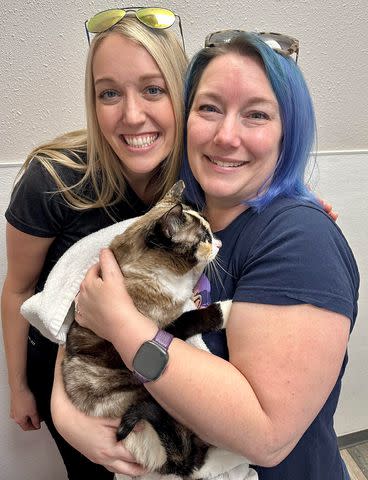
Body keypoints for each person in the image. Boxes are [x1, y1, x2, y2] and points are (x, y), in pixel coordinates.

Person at [51, 31, 359, 480]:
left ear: (287, 131)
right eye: (210, 108)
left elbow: (265, 437)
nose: (225, 135)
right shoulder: (180, 220)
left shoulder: (299, 239)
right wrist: (66, 413)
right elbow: (84, 305)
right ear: (186, 116)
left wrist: (122, 325)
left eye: (256, 114)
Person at [1, 10, 187, 480]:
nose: (131, 115)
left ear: (182, 94)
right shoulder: (52, 180)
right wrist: (21, 387)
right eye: (109, 93)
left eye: (153, 88)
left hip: (153, 368)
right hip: (71, 375)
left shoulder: (196, 178)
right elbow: (18, 291)